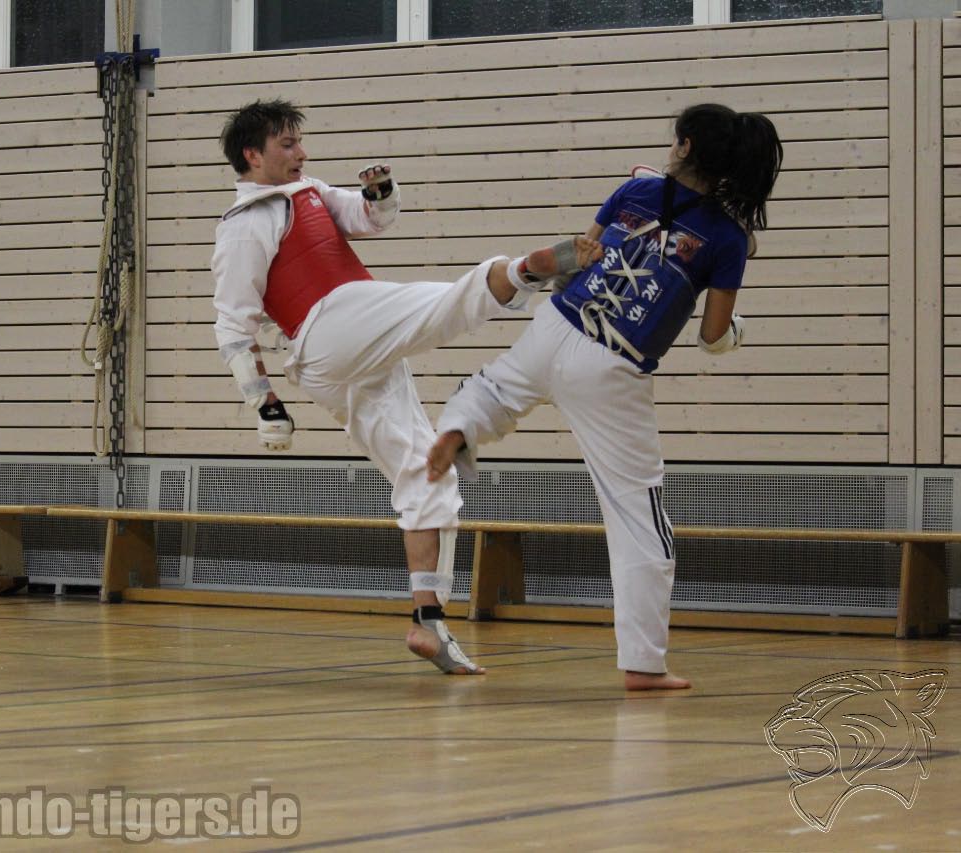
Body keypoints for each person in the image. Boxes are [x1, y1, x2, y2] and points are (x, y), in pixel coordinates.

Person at [211, 98, 600, 675]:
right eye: (288, 144)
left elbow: (370, 220)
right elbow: (232, 322)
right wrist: (263, 402)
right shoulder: (245, 225)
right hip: (328, 328)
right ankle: (522, 271)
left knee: (426, 471)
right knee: (441, 305)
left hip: (354, 352)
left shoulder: (309, 192)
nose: (301, 153)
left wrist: (380, 193)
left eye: (299, 141)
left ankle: (428, 620)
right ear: (252, 155)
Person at [426, 103, 783, 690]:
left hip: (557, 323)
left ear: (685, 147)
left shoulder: (634, 190)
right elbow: (713, 336)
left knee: (497, 386)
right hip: (614, 364)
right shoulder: (727, 237)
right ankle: (644, 664)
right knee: (638, 515)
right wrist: (734, 331)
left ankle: (462, 423)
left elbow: (575, 260)